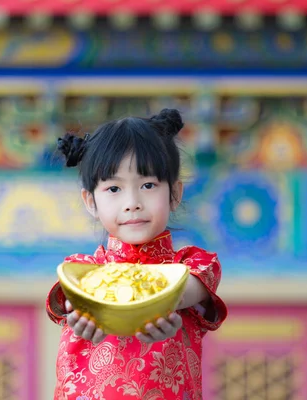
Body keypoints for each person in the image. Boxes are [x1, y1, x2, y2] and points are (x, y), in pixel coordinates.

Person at [46, 108, 228, 400]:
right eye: (114, 188)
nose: (132, 202)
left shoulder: (193, 266)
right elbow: (67, 301)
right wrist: (79, 312)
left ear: (175, 193)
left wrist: (160, 308)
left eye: (147, 185)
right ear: (90, 201)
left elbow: (178, 293)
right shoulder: (81, 270)